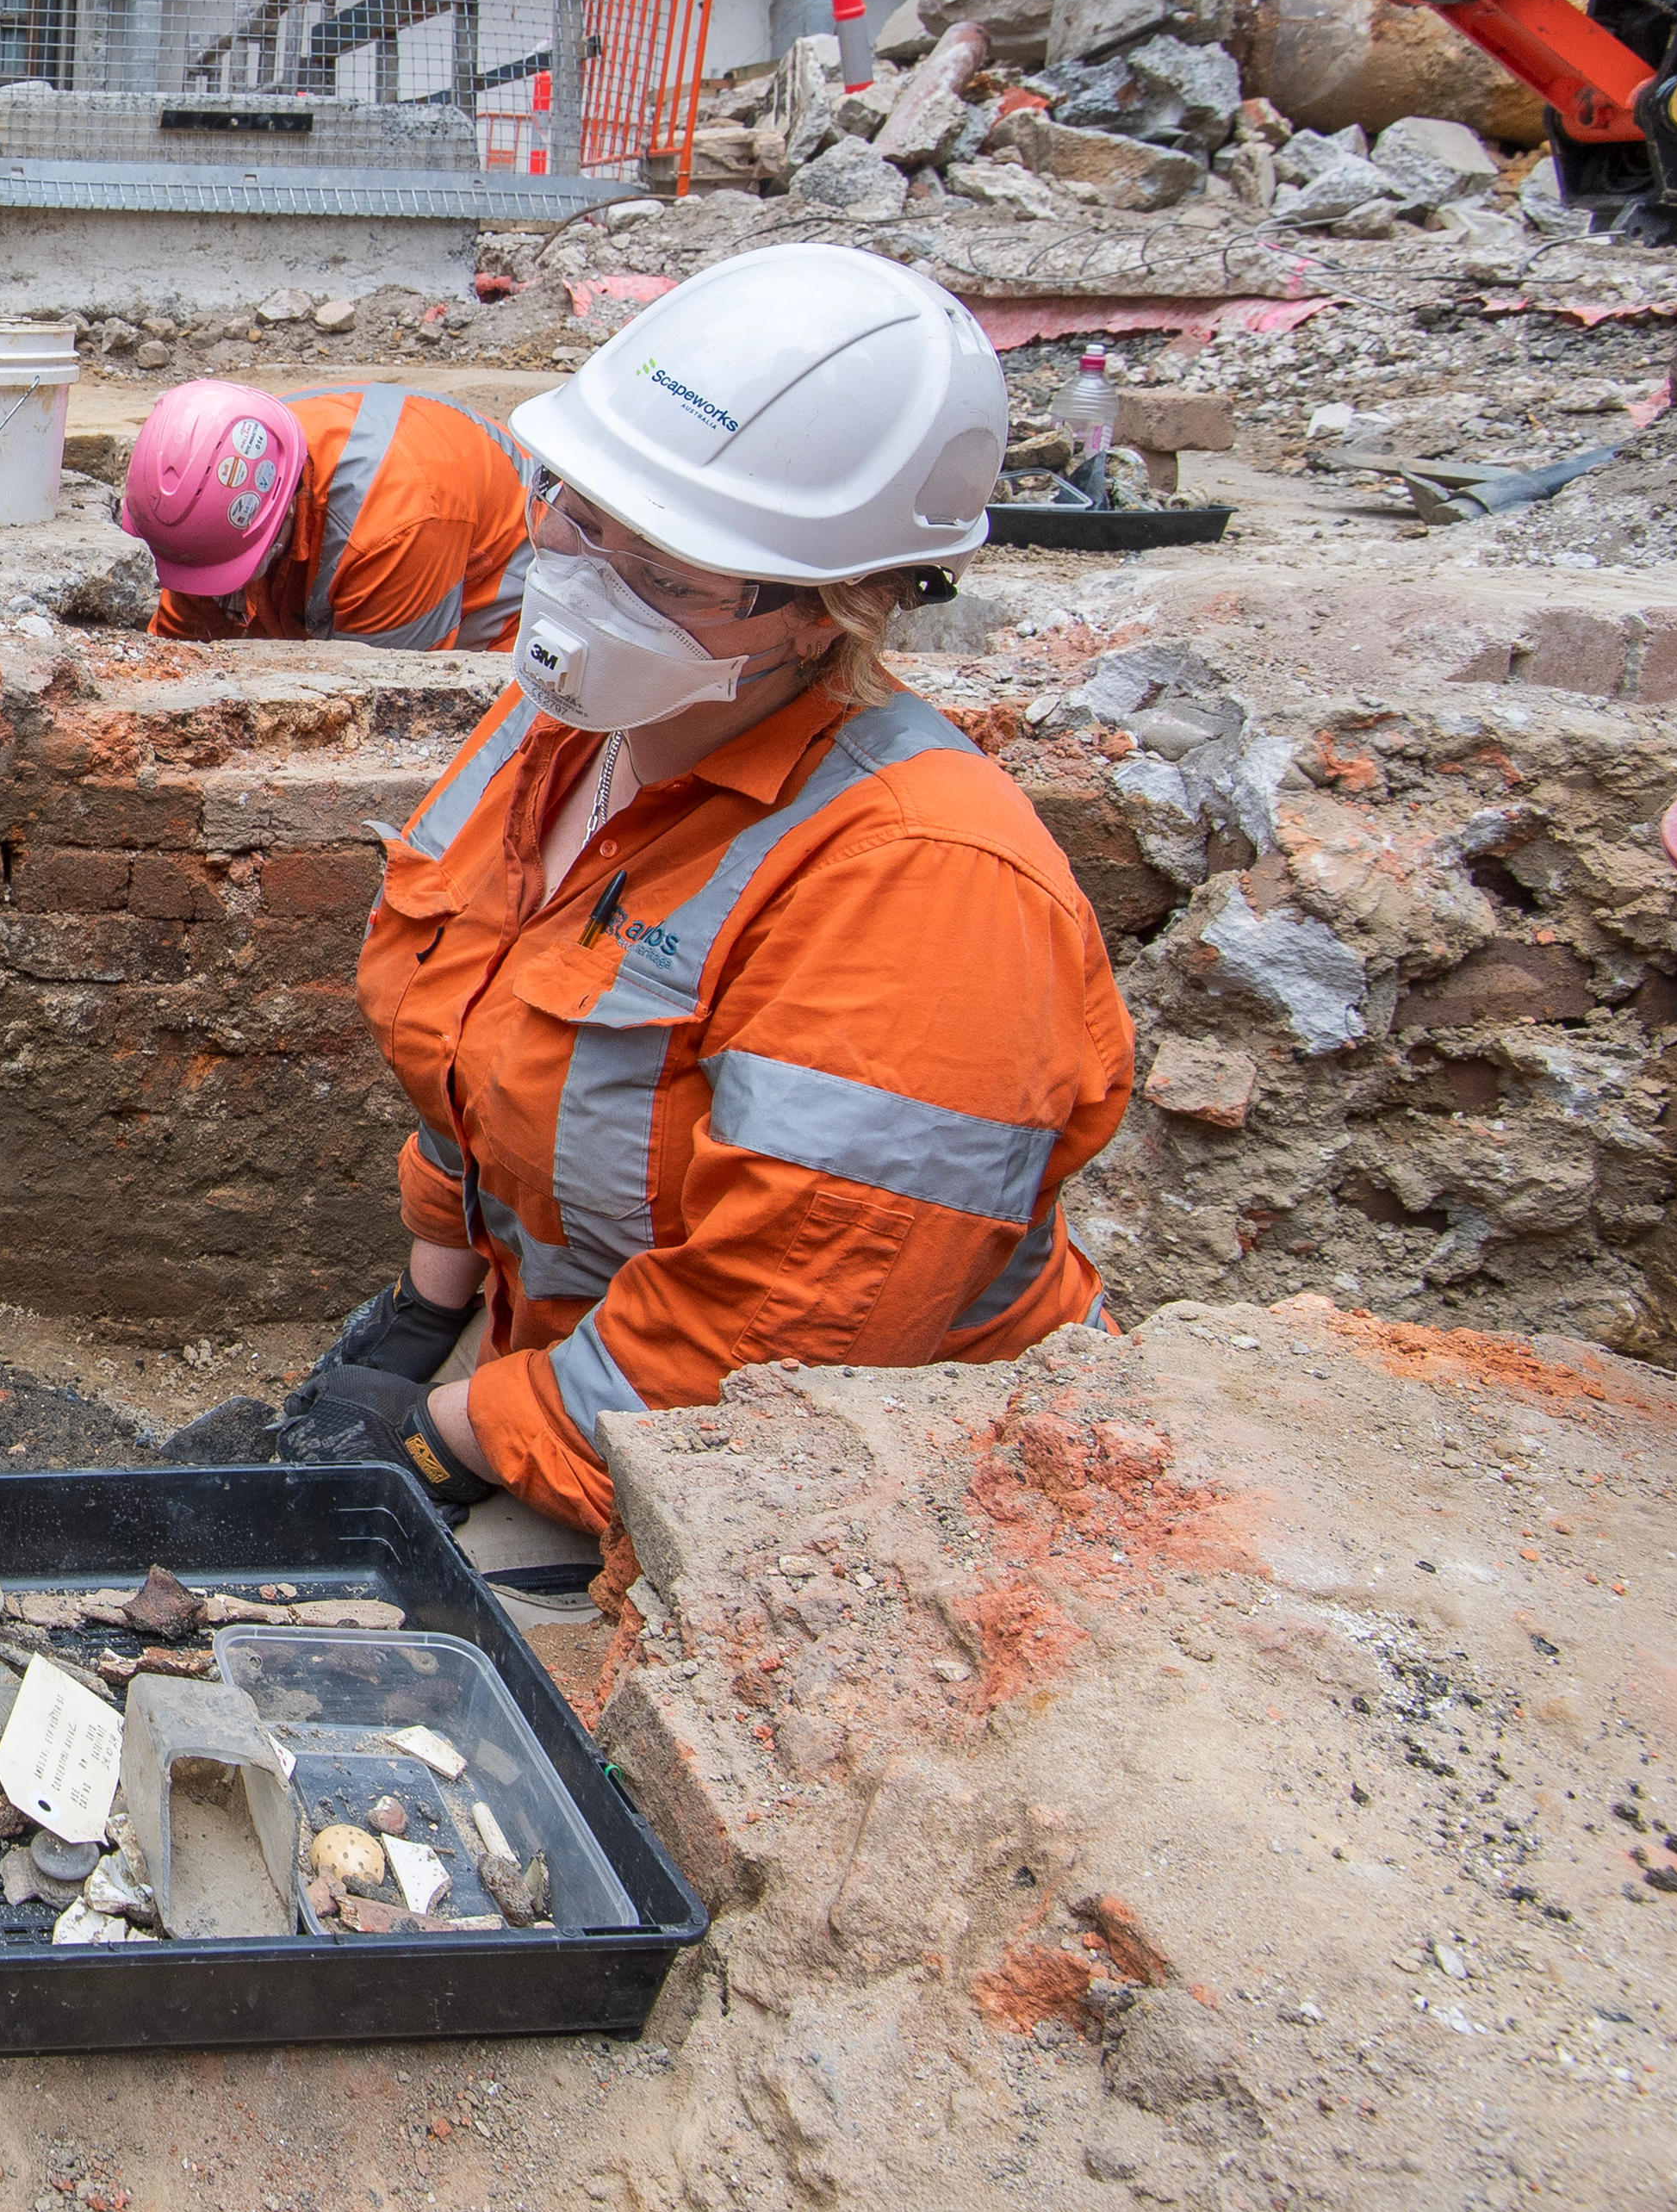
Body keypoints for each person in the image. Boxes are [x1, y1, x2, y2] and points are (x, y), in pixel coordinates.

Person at [248, 244, 1134, 1534]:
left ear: (830, 611)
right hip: (568, 1368)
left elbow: (787, 1348)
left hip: (827, 1485)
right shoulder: (561, 733)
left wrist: (440, 1443)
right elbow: (477, 1057)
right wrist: (422, 1319)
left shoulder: (925, 885)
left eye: (666, 576)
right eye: (581, 515)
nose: (591, 586)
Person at [120, 375, 536, 649]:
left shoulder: (393, 526)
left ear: (279, 519)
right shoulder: (232, 466)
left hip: (503, 613)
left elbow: (381, 711)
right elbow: (180, 643)